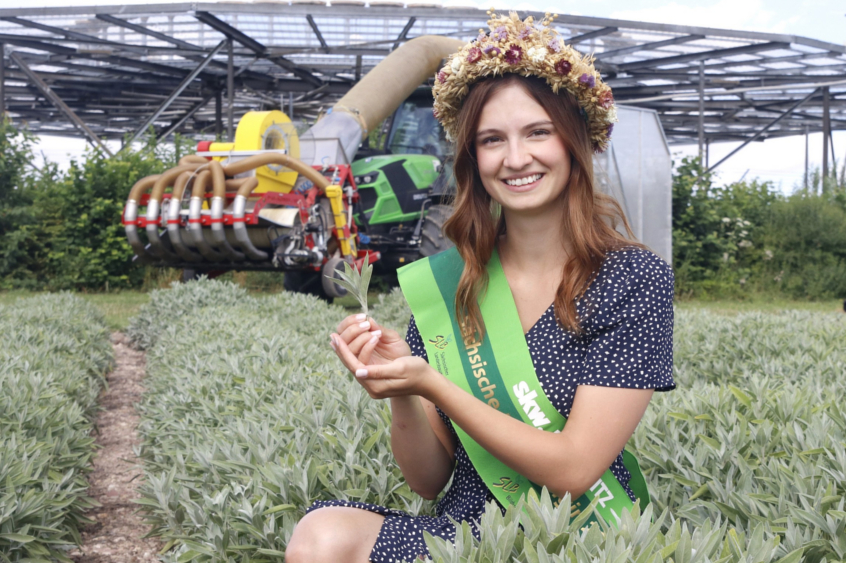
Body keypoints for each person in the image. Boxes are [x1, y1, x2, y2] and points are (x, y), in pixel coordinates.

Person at [285, 12, 674, 563]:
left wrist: (436, 386)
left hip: (579, 539)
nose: (516, 159)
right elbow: (427, 479)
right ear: (473, 158)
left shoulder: (632, 279)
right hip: (468, 536)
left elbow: (575, 469)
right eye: (492, 140)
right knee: (323, 533)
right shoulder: (452, 284)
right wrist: (402, 392)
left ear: (575, 141)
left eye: (538, 132)